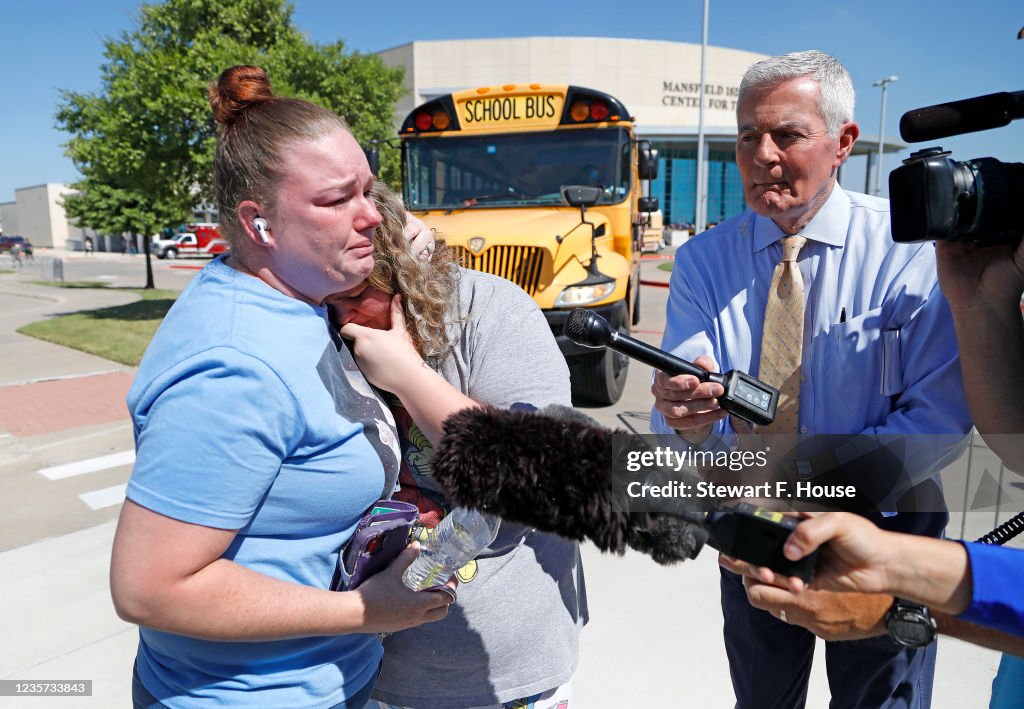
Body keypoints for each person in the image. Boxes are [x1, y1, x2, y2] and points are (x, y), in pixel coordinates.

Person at [110, 65, 452, 709]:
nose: (373, 218)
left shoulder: (291, 296)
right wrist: (363, 610)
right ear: (259, 223)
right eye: (335, 201)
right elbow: (148, 588)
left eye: (369, 191)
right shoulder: (234, 366)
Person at [650, 50, 971, 708]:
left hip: (886, 531)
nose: (762, 154)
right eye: (747, 136)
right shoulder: (704, 262)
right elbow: (675, 414)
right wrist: (683, 417)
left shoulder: (911, 253)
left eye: (787, 135)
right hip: (753, 532)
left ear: (843, 142)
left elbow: (937, 422)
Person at [328, 181, 586, 709]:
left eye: (357, 297)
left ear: (408, 275)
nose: (341, 318)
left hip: (500, 678)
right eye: (325, 299)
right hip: (362, 675)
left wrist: (408, 377)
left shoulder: (491, 311)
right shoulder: (317, 321)